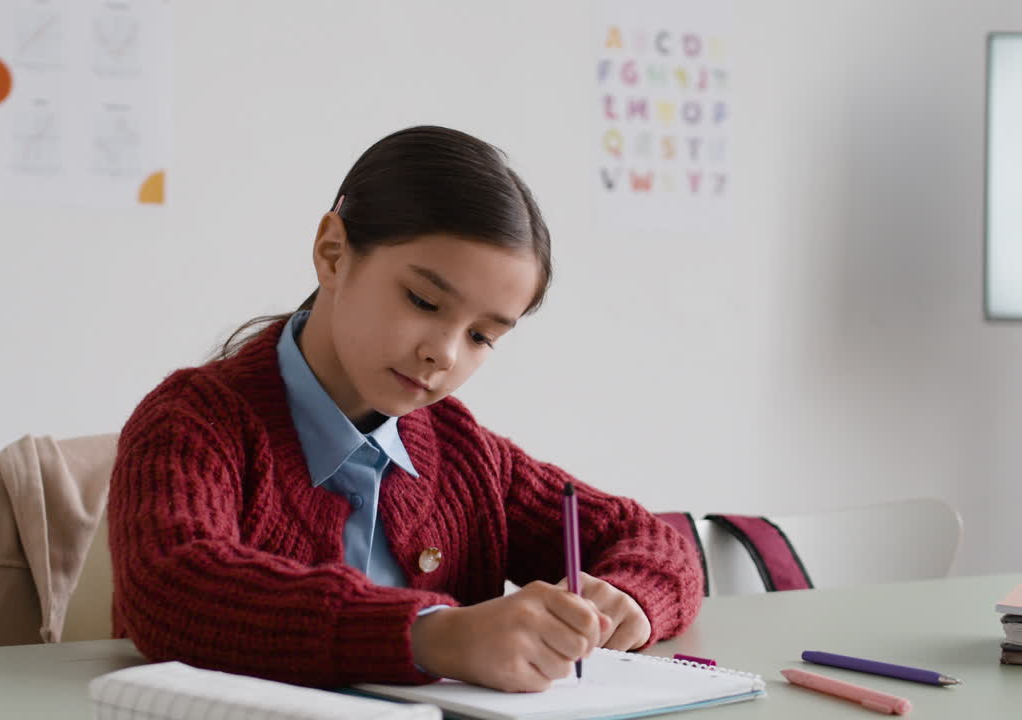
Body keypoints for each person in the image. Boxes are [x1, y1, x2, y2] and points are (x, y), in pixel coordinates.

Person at [107, 125, 704, 693]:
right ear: (334, 252)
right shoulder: (190, 424)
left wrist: (630, 600)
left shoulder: (464, 453)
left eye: (482, 336)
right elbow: (172, 589)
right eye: (423, 300)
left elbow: (653, 540)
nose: (442, 353)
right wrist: (434, 636)